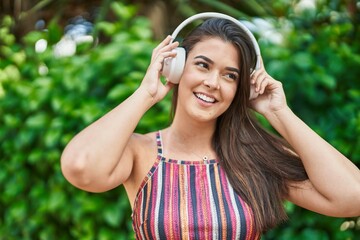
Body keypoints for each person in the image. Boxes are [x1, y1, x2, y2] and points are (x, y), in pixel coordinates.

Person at [61, 16, 360, 239]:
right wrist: (146, 95)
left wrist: (278, 112)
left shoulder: (255, 158)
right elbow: (81, 167)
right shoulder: (140, 152)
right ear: (176, 67)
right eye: (203, 65)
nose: (213, 83)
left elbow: (353, 197)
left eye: (230, 76)